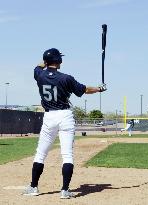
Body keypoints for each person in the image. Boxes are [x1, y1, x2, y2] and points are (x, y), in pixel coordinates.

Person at [22, 48, 107, 199]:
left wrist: (46, 61)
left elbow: (38, 66)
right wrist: (100, 89)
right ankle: (64, 191)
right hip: (65, 116)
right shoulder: (66, 78)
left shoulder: (39, 74)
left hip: (49, 117)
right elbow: (85, 90)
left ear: (46, 61)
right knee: (67, 155)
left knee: (40, 154)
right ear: (58, 61)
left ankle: (33, 187)